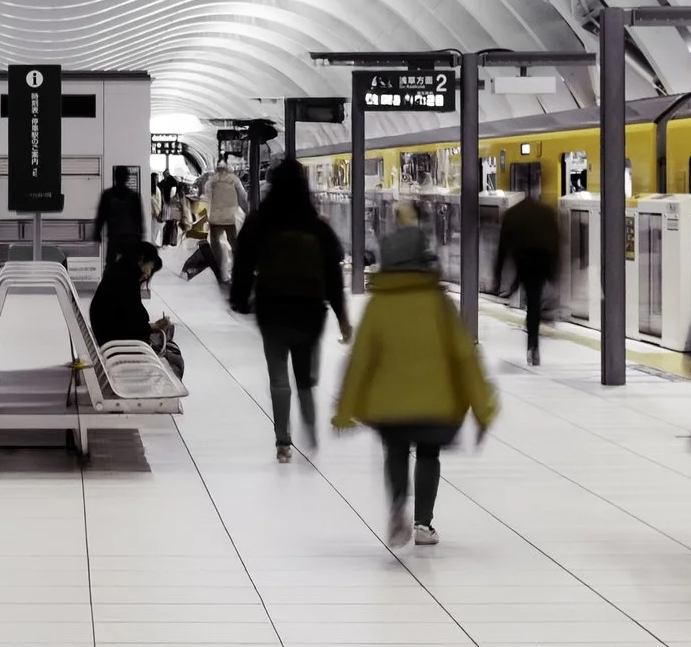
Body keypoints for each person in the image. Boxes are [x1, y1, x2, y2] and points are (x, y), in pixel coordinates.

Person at [332, 217, 498, 549]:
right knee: (428, 453)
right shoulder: (439, 304)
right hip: (434, 402)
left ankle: (397, 507)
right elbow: (465, 356)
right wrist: (483, 409)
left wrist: (345, 411)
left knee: (394, 451)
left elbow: (360, 360)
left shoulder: (379, 304)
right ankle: (423, 523)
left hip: (389, 404)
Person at [230, 158, 352, 463]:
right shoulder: (315, 225)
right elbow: (333, 274)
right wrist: (342, 318)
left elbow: (243, 262)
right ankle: (310, 429)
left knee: (278, 378)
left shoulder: (261, 220)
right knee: (305, 378)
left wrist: (240, 298)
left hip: (271, 306)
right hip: (310, 309)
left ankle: (283, 443)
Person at [495, 177, 560, 367]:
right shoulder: (546, 212)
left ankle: (532, 341)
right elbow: (556, 242)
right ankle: (534, 344)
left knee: (532, 301)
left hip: (522, 262)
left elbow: (502, 247)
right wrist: (555, 272)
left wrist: (498, 274)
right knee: (534, 302)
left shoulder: (512, 213)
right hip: (541, 262)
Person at [89, 242, 161, 347]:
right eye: (150, 267)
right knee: (174, 353)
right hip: (118, 344)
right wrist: (154, 327)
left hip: (110, 337)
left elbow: (127, 318)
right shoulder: (127, 282)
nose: (149, 273)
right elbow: (130, 325)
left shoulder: (118, 274)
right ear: (141, 260)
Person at [91, 165, 148, 266]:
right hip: (130, 237)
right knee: (130, 265)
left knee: (111, 265)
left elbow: (101, 216)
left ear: (115, 177)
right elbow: (139, 219)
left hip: (114, 236)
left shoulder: (107, 195)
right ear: (127, 178)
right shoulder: (134, 196)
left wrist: (97, 232)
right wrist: (140, 236)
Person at [205, 160, 245, 283]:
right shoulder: (235, 180)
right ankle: (237, 270)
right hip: (230, 217)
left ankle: (219, 271)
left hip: (215, 218)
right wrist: (245, 211)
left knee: (215, 244)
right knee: (234, 245)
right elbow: (243, 196)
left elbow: (206, 198)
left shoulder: (211, 181)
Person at [158, 176, 186, 247]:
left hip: (167, 210)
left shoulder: (165, 188)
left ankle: (166, 241)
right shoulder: (173, 189)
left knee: (168, 226)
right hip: (173, 210)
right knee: (173, 226)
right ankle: (172, 241)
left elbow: (165, 200)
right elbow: (175, 200)